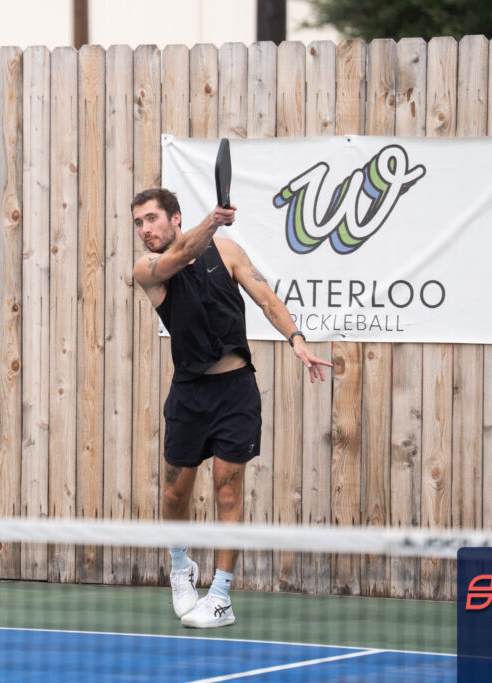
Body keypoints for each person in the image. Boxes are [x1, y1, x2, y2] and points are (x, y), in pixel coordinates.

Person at [131, 188, 332, 629]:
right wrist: (214, 219)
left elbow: (267, 299)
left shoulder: (228, 252)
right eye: (139, 223)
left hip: (236, 392)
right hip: (189, 395)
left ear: (174, 217)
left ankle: (220, 596)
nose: (145, 229)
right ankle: (180, 567)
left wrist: (297, 340)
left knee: (228, 490)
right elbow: (183, 255)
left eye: (151, 218)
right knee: (175, 493)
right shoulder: (147, 269)